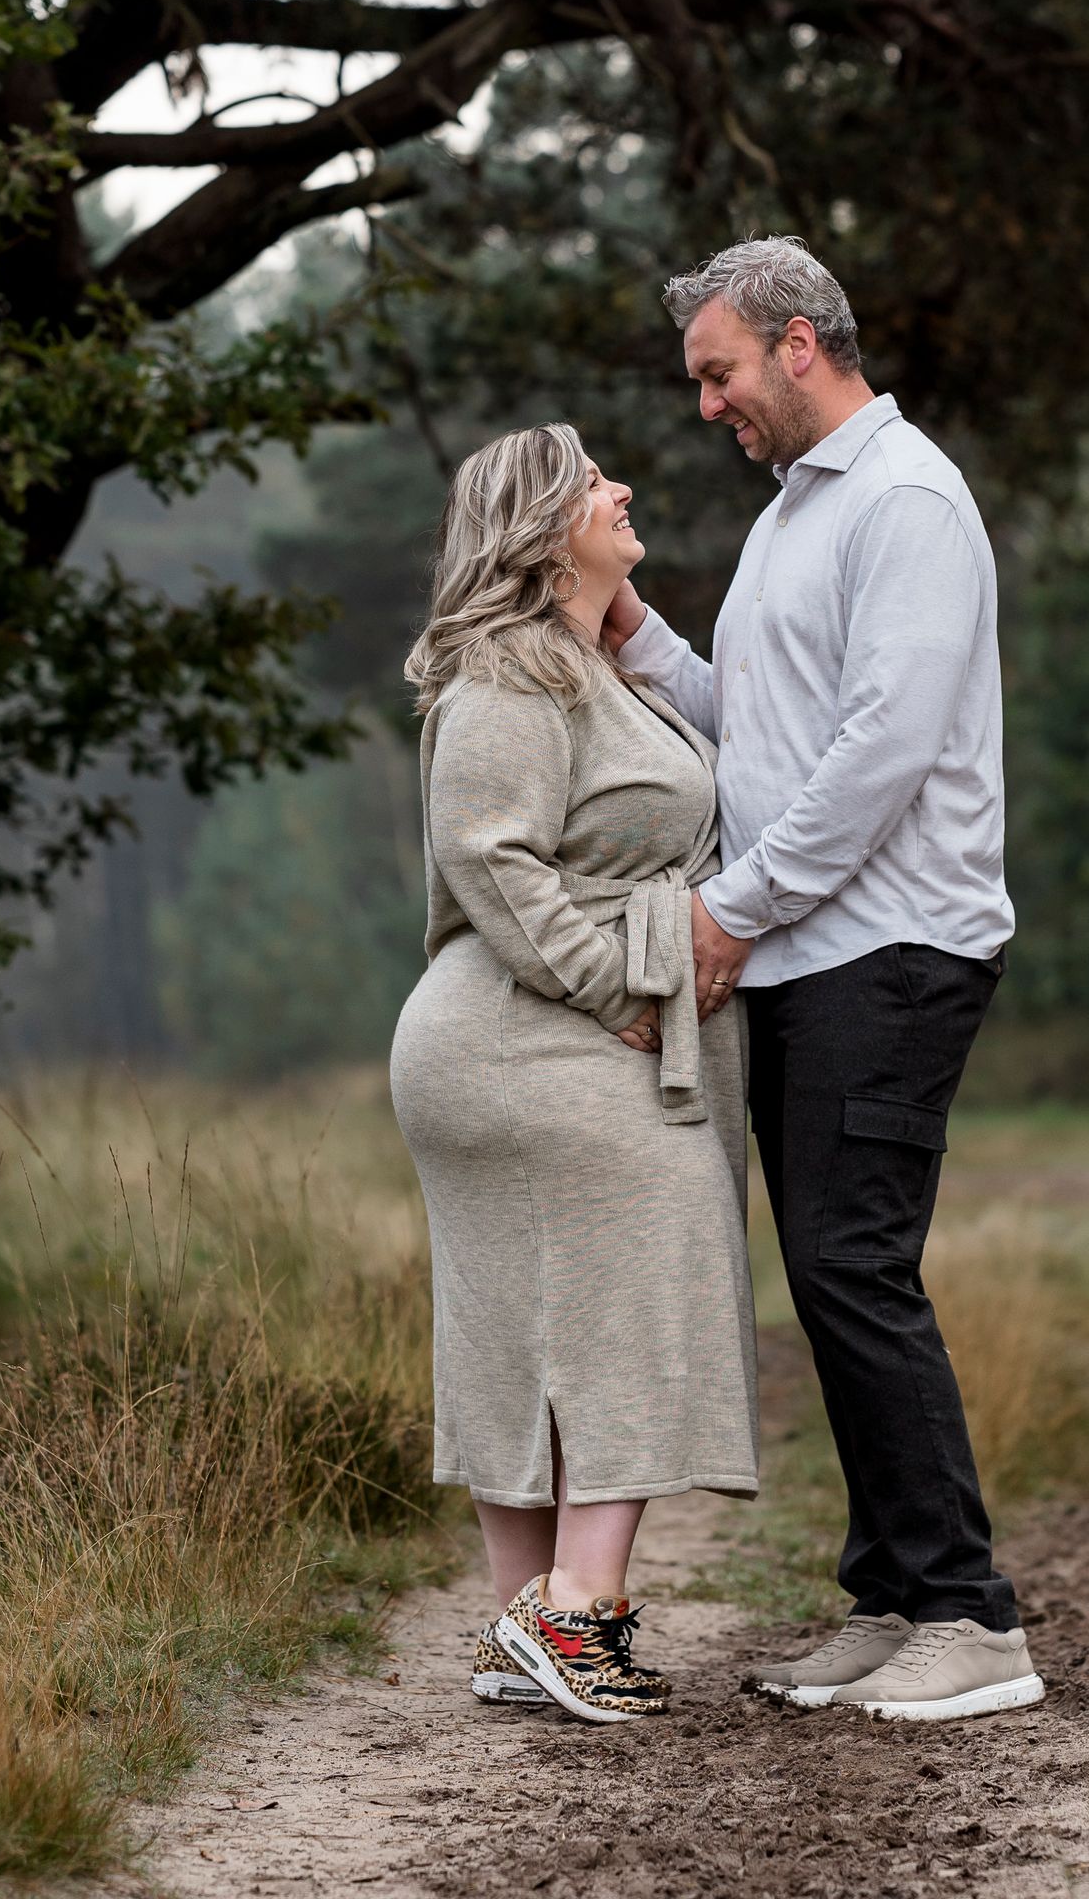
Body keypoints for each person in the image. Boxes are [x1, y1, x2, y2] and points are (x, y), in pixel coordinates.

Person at [602, 237, 1044, 1725]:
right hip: (809, 946)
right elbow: (757, 723)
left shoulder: (907, 499)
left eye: (719, 372)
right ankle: (898, 1598)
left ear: (800, 344)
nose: (708, 406)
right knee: (828, 1272)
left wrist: (731, 908)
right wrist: (635, 637)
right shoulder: (795, 511)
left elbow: (883, 749)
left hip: (896, 945)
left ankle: (972, 1620)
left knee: (856, 1265)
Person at [390, 422, 758, 1725]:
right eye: (597, 482)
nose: (624, 488)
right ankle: (576, 1610)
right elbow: (492, 857)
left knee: (532, 1319)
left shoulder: (591, 664)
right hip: (520, 1035)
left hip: (552, 1030)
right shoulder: (510, 669)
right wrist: (622, 990)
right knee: (657, 1258)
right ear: (547, 529)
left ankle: (521, 1626)